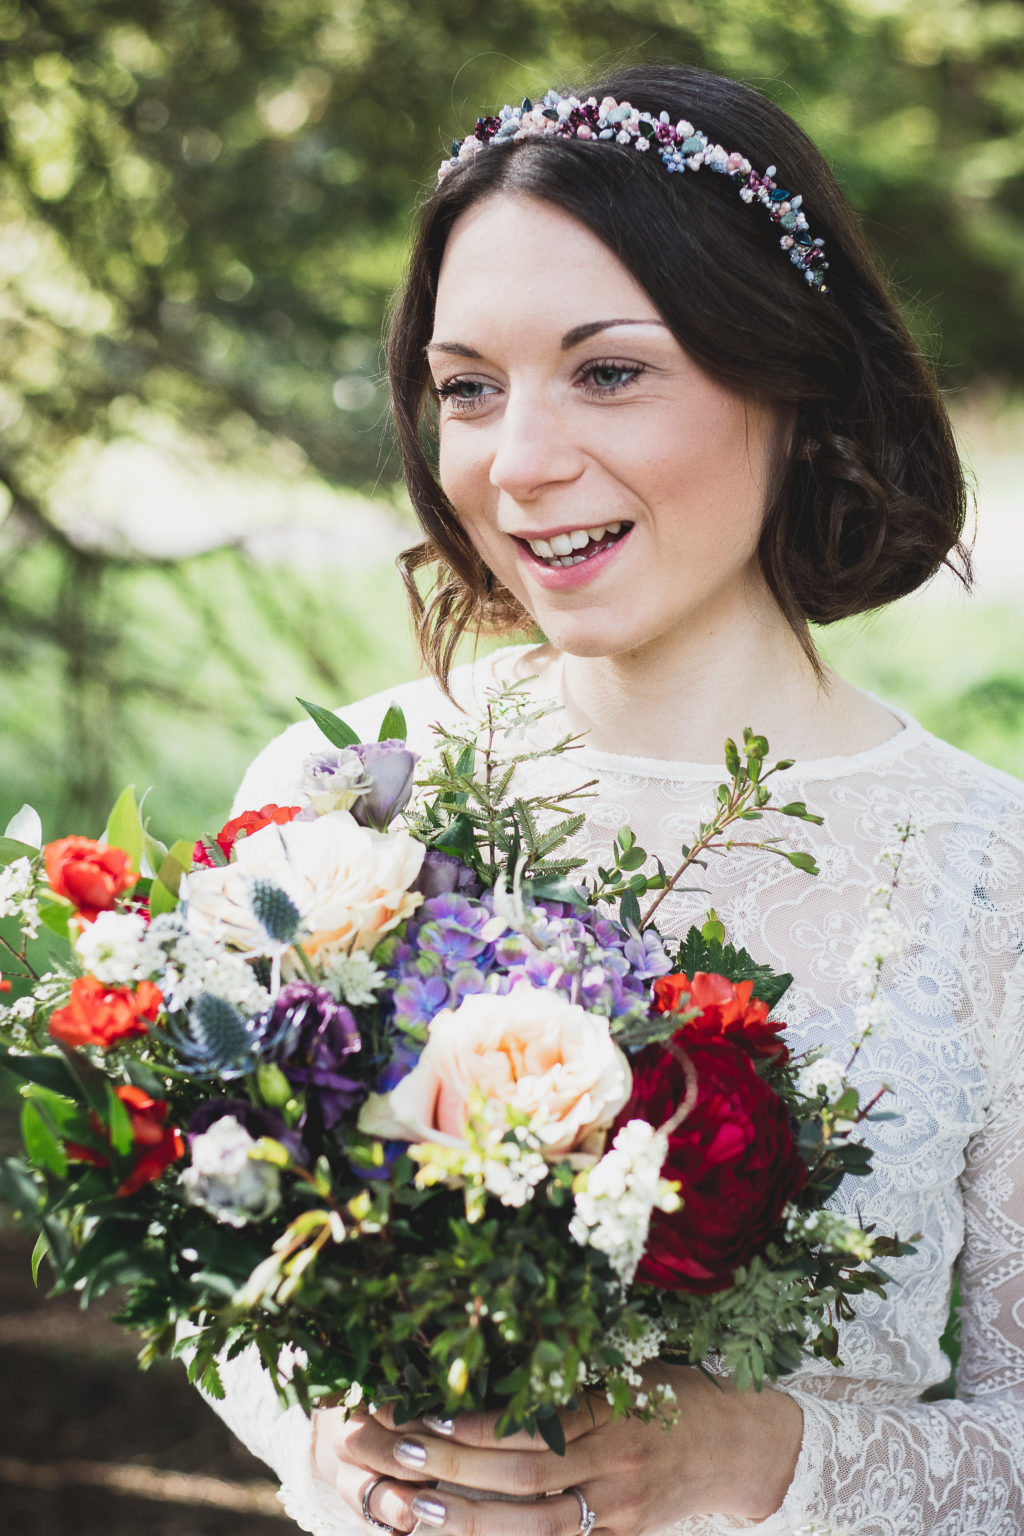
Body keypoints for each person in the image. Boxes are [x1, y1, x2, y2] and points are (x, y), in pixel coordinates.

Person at [203, 65, 1024, 1536]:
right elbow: (208, 1275)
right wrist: (336, 1446)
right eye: (469, 388)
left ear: (795, 377)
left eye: (610, 370)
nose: (518, 464)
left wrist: (755, 1459)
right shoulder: (333, 808)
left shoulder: (993, 876)